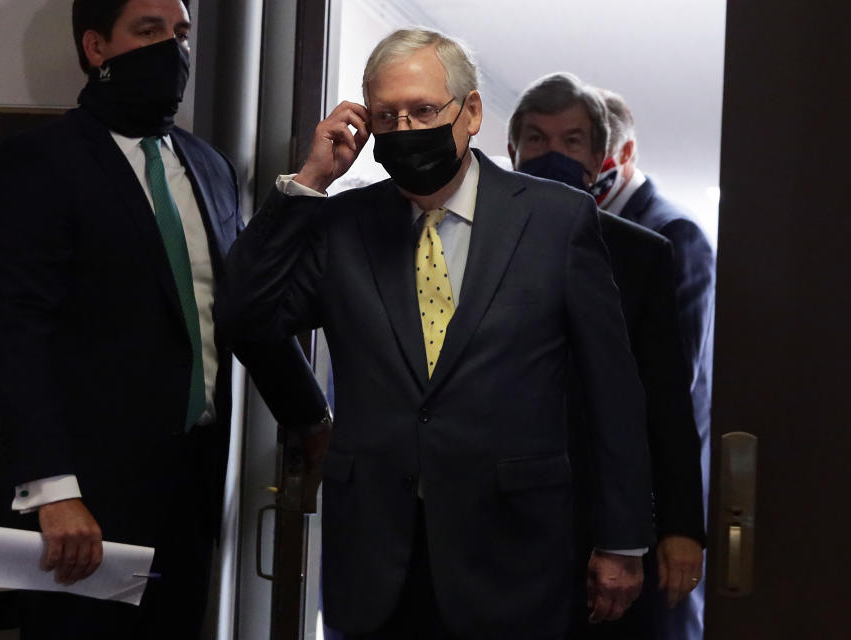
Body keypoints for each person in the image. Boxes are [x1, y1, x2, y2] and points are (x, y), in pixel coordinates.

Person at [218, 28, 651, 639]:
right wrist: (309, 182)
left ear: (471, 112)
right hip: (376, 561)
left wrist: (623, 541)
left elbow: (614, 392)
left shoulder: (556, 219)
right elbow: (244, 315)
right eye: (387, 117)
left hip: (512, 554)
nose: (406, 129)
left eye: (423, 111)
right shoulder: (341, 224)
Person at [0, 1, 327, 638]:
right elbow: (14, 329)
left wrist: (312, 418)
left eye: (181, 33)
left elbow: (240, 312)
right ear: (96, 47)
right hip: (79, 509)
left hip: (187, 496)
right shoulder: (40, 162)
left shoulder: (211, 168)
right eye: (149, 30)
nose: (174, 48)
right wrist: (54, 491)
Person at [507, 72, 706, 639]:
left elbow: (668, 403)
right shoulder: (467, 244)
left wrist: (680, 526)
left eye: (571, 142)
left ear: (599, 159)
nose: (553, 153)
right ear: (513, 151)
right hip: (491, 521)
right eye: (537, 139)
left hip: (602, 517)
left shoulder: (644, 255)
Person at [596, 88, 716, 640]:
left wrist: (673, 524)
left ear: (624, 154)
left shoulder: (673, 234)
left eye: (585, 144)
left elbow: (671, 385)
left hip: (649, 510)